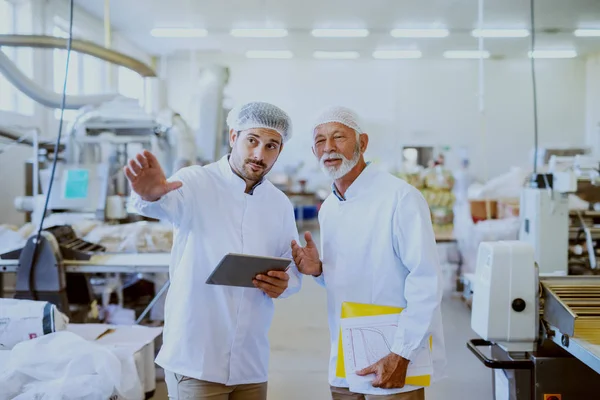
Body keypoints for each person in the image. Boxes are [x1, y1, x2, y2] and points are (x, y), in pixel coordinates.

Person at [124, 102, 302, 400]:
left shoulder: (279, 204)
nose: (260, 154)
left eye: (271, 146)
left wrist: (285, 285)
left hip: (250, 361)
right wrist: (150, 194)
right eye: (252, 141)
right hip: (197, 359)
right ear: (233, 137)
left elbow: (291, 269)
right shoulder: (196, 181)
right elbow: (163, 204)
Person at [291, 106, 446, 400]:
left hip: (394, 355)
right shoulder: (332, 207)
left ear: (363, 143)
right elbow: (354, 273)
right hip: (344, 356)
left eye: (338, 137)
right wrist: (320, 270)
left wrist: (402, 353)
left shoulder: (400, 198)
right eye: (320, 141)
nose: (329, 148)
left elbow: (426, 281)